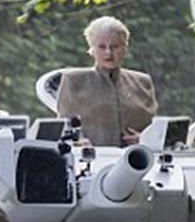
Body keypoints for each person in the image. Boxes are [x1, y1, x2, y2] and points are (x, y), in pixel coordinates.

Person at [56, 16, 157, 147]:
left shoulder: (142, 83)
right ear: (92, 50)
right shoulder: (74, 81)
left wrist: (145, 139)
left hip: (137, 160)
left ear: (125, 48)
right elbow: (64, 129)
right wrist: (77, 143)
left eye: (115, 46)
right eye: (102, 47)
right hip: (92, 159)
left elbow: (154, 129)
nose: (108, 53)